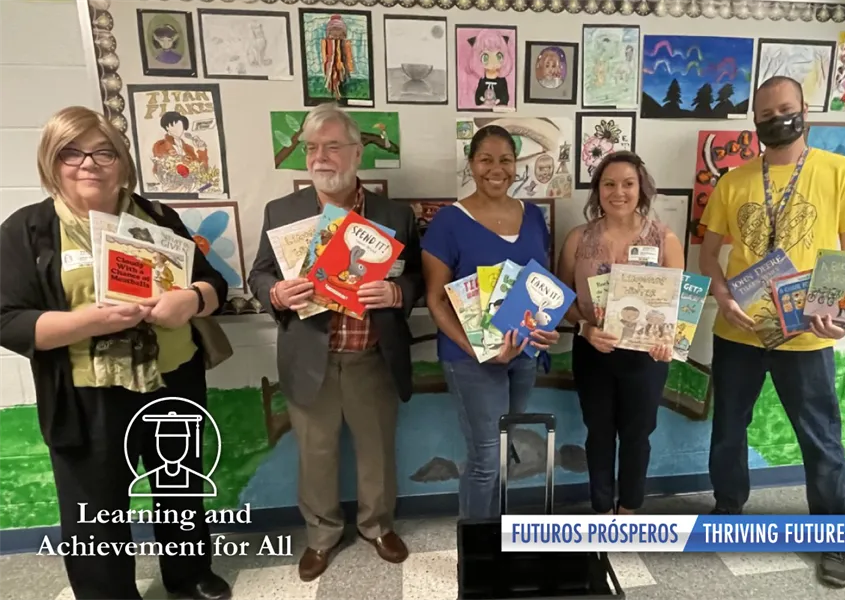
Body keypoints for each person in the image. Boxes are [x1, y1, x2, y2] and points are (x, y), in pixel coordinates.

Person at [0, 106, 231, 600]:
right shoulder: (29, 230)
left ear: (122, 162)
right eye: (71, 152)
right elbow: (7, 319)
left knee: (180, 490)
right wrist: (90, 322)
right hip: (87, 393)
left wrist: (190, 300)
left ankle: (189, 576)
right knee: (94, 505)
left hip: (173, 380)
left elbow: (215, 284)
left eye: (103, 151)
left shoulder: (158, 217)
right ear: (51, 162)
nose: (89, 163)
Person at [699, 75, 845, 588]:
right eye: (765, 113)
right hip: (739, 331)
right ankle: (728, 511)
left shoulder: (842, 173)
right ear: (754, 121)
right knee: (727, 431)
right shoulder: (733, 181)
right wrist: (721, 296)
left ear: (805, 110)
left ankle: (834, 534)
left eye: (785, 108)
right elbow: (708, 256)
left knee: (820, 436)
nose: (775, 118)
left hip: (808, 335)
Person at [248, 103, 423, 582]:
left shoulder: (395, 214)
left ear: (357, 151)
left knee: (377, 452)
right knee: (316, 453)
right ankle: (322, 536)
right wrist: (277, 293)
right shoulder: (282, 213)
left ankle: (377, 525)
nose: (319, 157)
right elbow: (258, 275)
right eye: (311, 148)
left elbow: (418, 282)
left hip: (373, 357)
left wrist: (396, 292)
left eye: (331, 146)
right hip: (311, 358)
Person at [421, 125, 561, 520]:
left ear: (516, 165)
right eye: (486, 159)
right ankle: (477, 550)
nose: (496, 169)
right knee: (486, 455)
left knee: (504, 449)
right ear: (471, 164)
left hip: (523, 356)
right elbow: (435, 299)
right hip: (470, 359)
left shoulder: (533, 216)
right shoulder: (448, 222)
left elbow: (540, 289)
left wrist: (545, 329)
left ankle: (495, 534)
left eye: (505, 160)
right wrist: (480, 351)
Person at [557, 151, 684, 516]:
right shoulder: (578, 239)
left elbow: (679, 307)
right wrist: (584, 327)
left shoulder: (664, 239)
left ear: (641, 188)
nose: (619, 192)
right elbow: (561, 296)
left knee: (636, 436)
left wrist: (667, 341)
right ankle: (601, 509)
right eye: (608, 184)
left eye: (628, 183)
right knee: (598, 434)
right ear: (597, 191)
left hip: (645, 358)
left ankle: (629, 508)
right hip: (593, 351)